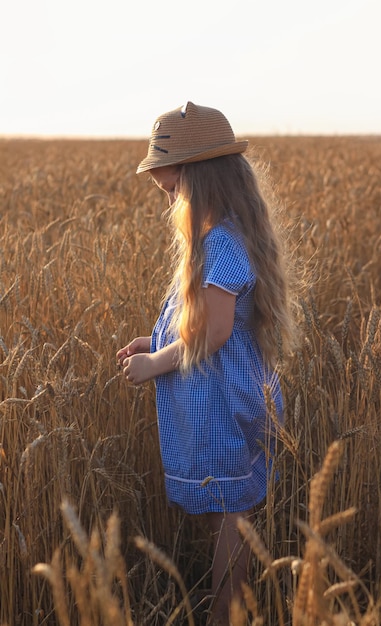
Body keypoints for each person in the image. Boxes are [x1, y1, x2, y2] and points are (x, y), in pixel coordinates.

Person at [117, 101, 296, 625]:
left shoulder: (222, 244)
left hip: (225, 402)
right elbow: (206, 324)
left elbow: (216, 333)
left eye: (171, 188)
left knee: (230, 519)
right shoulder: (217, 240)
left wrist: (155, 366)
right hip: (218, 395)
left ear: (198, 179)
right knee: (226, 512)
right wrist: (155, 341)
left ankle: (225, 616)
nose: (168, 199)